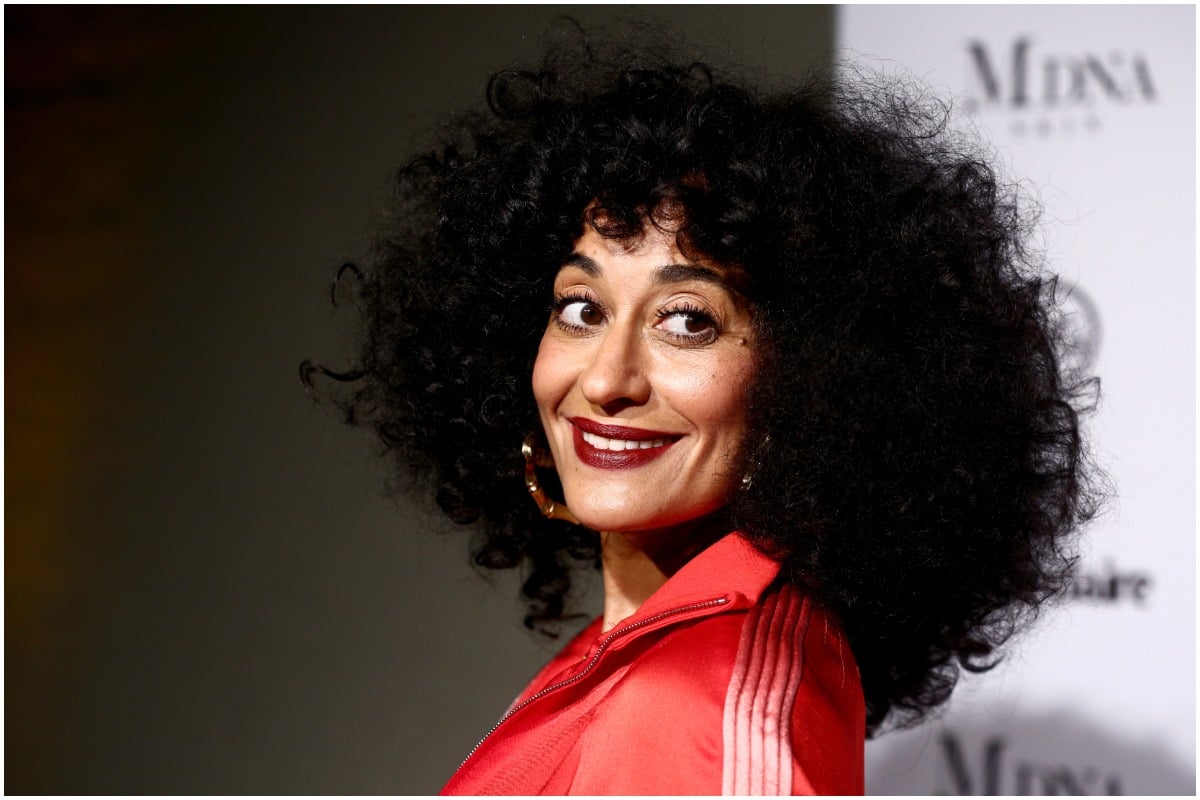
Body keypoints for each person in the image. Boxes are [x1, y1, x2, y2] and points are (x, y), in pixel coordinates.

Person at [304, 22, 1100, 795]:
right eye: (580, 308)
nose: (608, 379)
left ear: (816, 380)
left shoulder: (703, 700)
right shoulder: (644, 647)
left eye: (687, 320)